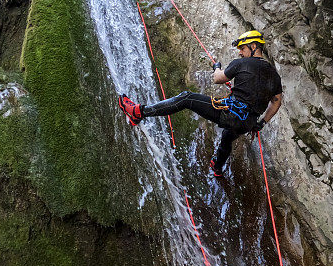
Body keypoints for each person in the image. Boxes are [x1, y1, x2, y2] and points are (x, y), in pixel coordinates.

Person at [119, 30, 283, 177]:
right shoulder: (275, 76)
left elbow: (218, 79)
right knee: (227, 136)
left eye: (243, 48)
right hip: (247, 123)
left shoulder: (241, 63)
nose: (240, 52)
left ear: (253, 46)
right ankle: (217, 168)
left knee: (187, 98)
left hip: (229, 114)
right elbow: (276, 102)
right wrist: (261, 124)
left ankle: (139, 112)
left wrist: (217, 68)